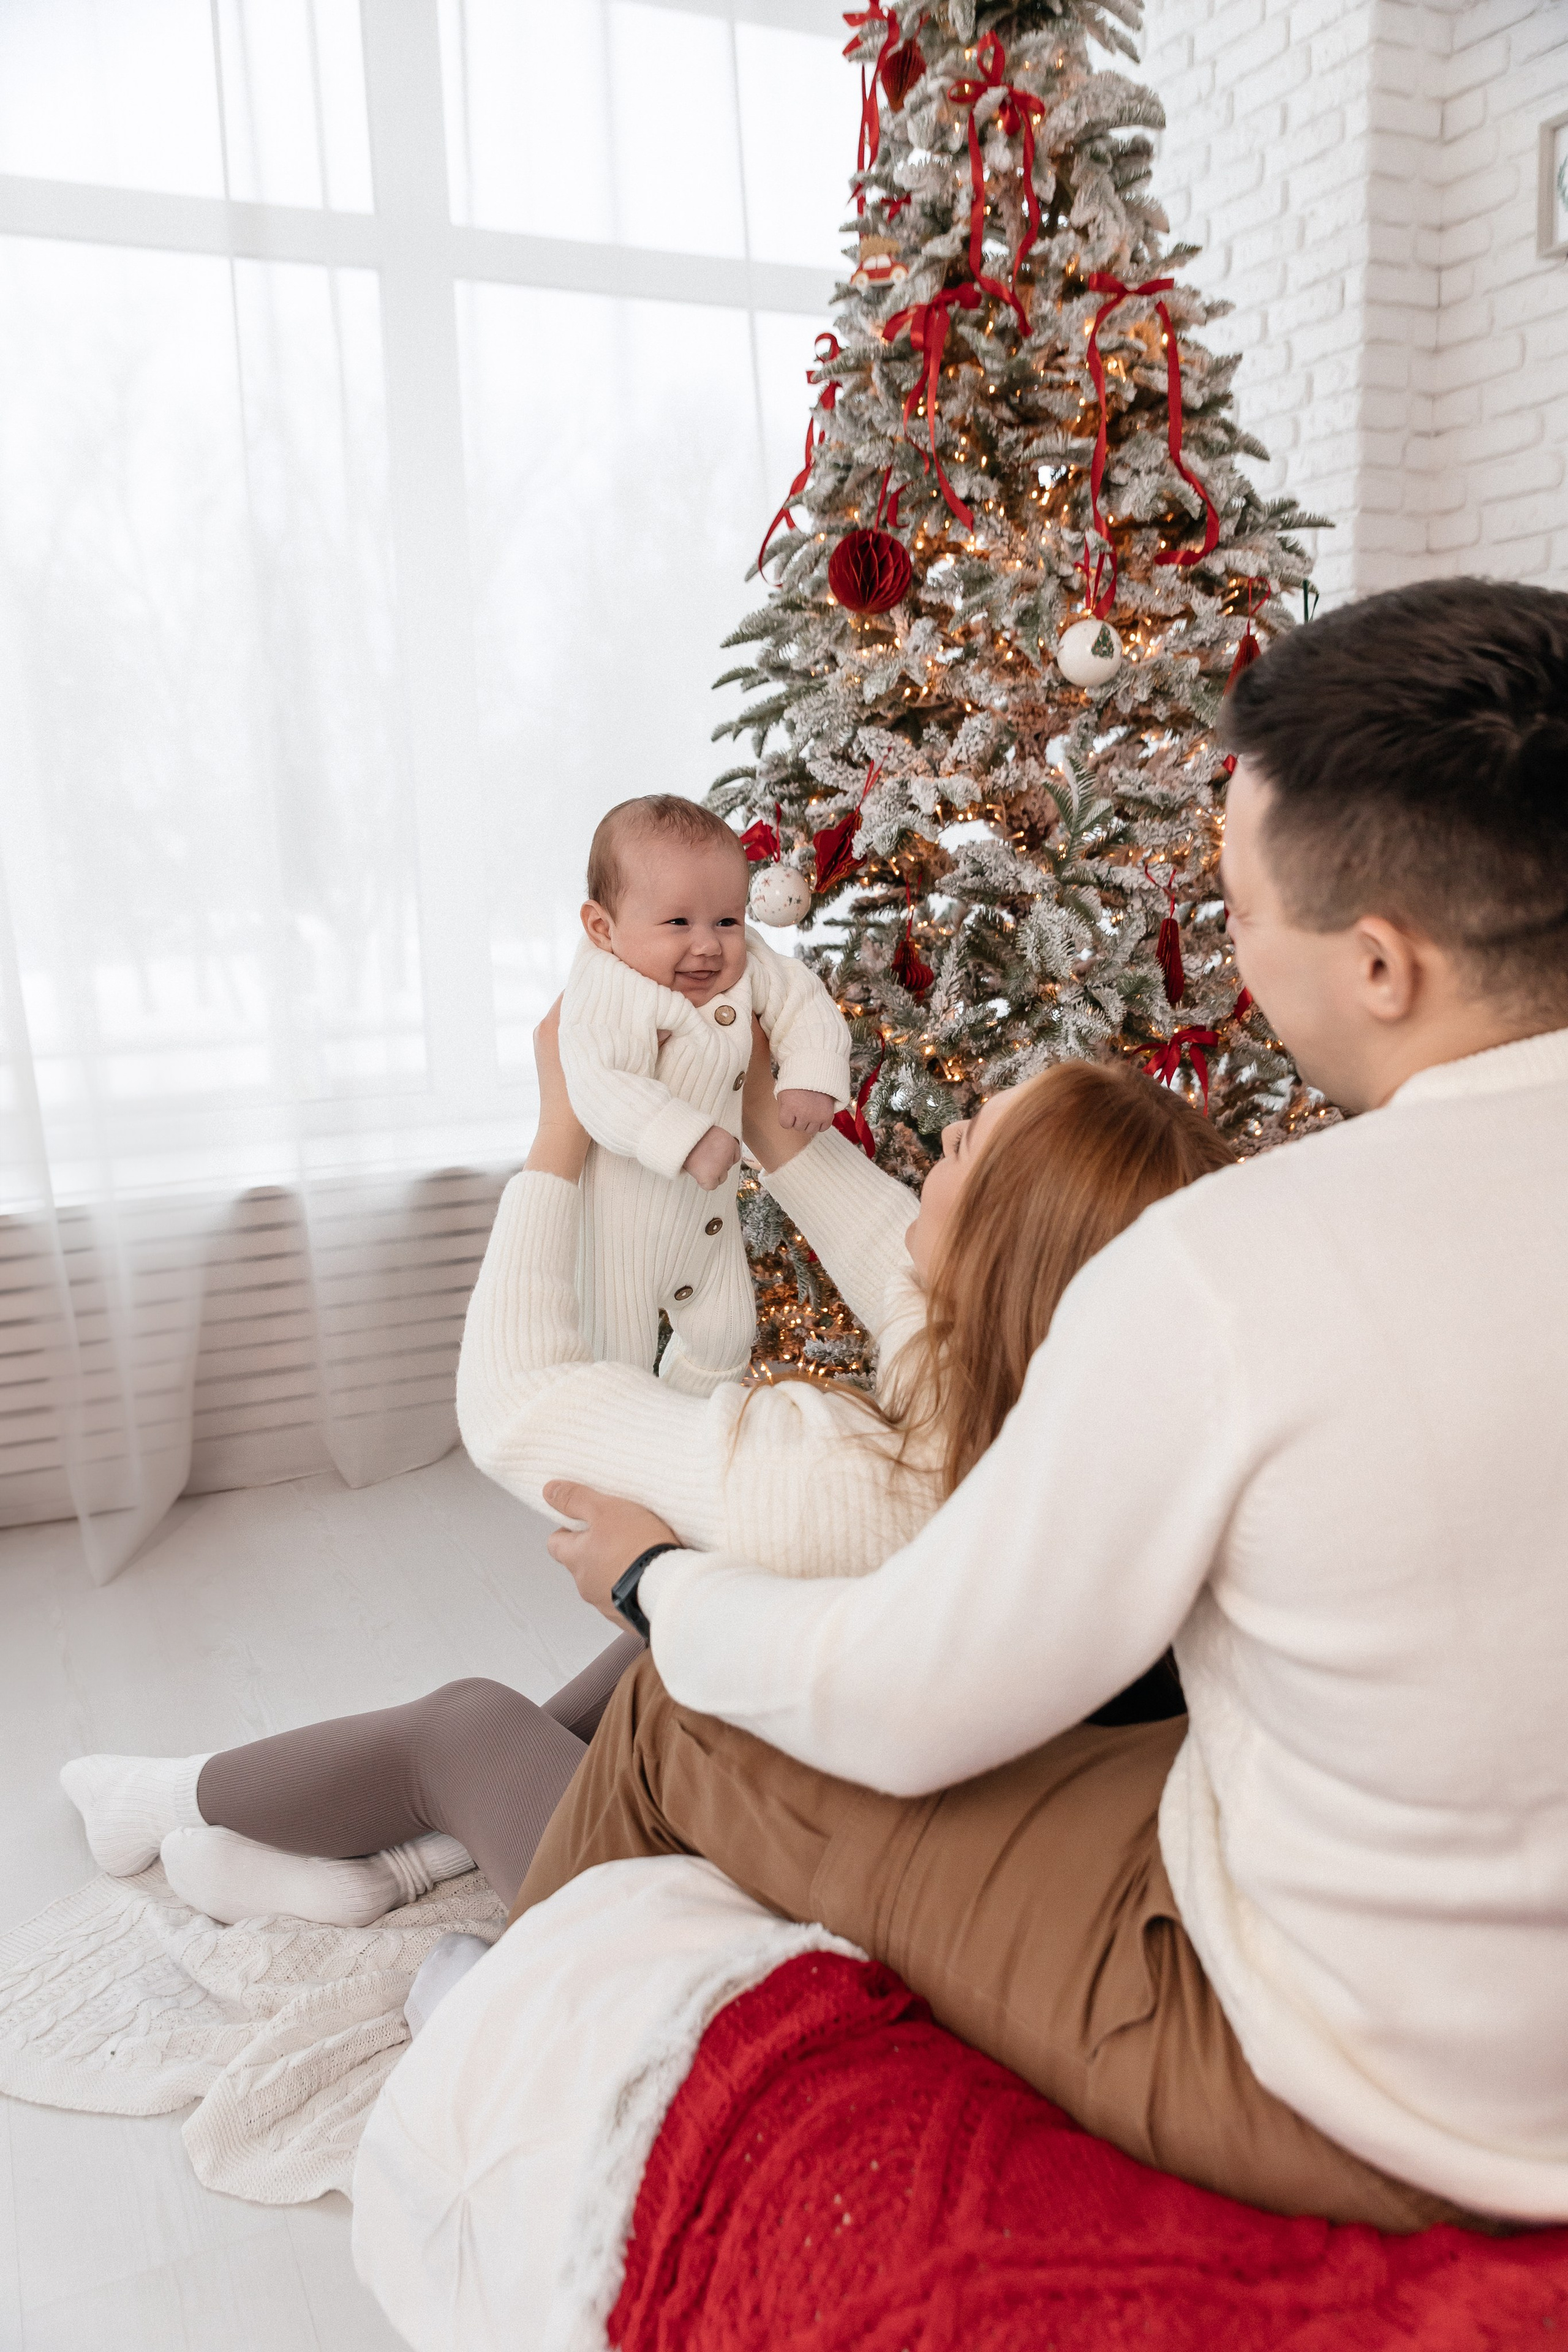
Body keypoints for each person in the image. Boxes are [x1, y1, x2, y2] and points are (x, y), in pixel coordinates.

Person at [511, 577, 1568, 2235]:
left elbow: (911, 1698)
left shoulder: (1235, 1267)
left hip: (1373, 2074)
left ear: (1381, 962)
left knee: (687, 1696)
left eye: (1240, 911)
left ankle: (500, 2062)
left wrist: (656, 1585)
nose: (1231, 949)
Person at [58, 1016, 1231, 1929]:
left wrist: (559, 1133)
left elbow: (512, 1409)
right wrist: (766, 1109)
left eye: (969, 1142)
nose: (945, 1140)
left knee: (469, 1724)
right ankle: (417, 1855)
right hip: (869, 1815)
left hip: (721, 1899)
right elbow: (909, 1274)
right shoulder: (1044, 1415)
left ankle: (161, 1804)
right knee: (651, 1640)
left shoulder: (841, 1488)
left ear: (1008, 1245)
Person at [558, 793, 848, 1396]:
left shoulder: (746, 967)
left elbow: (803, 1001)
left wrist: (811, 1075)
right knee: (615, 1367)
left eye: (726, 921)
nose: (708, 945)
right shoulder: (606, 986)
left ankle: (681, 1431)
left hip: (705, 1227)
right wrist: (684, 1138)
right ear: (602, 928)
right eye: (677, 923)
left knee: (726, 1339)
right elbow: (598, 1084)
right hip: (618, 1238)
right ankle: (618, 1463)